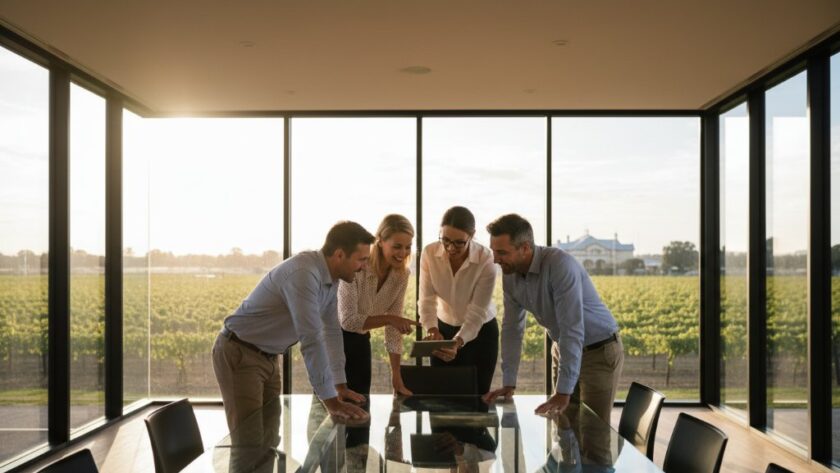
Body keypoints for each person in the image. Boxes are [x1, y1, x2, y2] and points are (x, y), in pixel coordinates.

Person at [212, 221, 373, 431]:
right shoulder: (304, 274)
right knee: (248, 443)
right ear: (340, 255)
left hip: (268, 357)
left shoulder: (332, 279)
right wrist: (331, 402)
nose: (365, 267)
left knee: (270, 438)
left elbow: (331, 332)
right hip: (241, 353)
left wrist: (339, 385)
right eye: (361, 260)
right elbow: (312, 339)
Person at [482, 214, 624, 424]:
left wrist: (563, 391)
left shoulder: (560, 265)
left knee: (594, 436)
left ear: (525, 248)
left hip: (598, 352)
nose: (495, 259)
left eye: (502, 252)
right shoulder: (510, 275)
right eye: (494, 251)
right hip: (562, 348)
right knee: (564, 429)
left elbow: (572, 328)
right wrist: (509, 382)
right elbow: (512, 329)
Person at [419, 206, 498, 394]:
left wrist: (458, 342)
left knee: (477, 399)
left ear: (472, 235)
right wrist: (432, 329)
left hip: (480, 333)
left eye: (458, 243)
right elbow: (426, 299)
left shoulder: (486, 259)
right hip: (442, 329)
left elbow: (477, 311)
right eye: (445, 240)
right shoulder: (429, 253)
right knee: (441, 397)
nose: (450, 248)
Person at [338, 214, 419, 396]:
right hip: (333, 340)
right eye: (397, 246)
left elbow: (393, 329)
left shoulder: (401, 275)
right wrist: (391, 319)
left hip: (360, 340)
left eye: (408, 247)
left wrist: (396, 375)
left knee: (361, 407)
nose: (403, 253)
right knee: (328, 414)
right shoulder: (358, 266)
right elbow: (348, 321)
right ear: (380, 241)